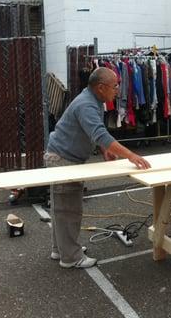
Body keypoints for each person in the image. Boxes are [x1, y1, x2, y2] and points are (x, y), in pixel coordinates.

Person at [45, 67, 151, 269]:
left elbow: (93, 131)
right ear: (101, 88)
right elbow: (100, 134)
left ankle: (61, 249)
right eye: (115, 85)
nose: (118, 90)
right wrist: (131, 155)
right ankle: (71, 258)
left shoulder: (93, 100)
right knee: (69, 210)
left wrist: (105, 150)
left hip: (63, 156)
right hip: (63, 160)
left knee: (62, 209)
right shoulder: (87, 104)